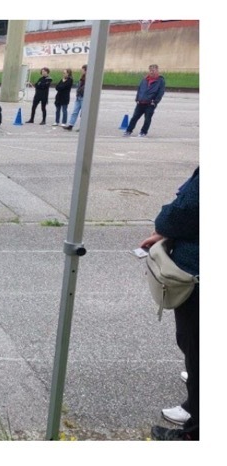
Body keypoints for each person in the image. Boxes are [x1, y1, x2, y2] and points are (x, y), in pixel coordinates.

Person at [140, 167, 199, 441]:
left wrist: (165, 225)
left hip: (197, 275)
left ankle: (195, 433)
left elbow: (182, 212)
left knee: (196, 345)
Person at [124, 64, 166, 137]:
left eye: (153, 70)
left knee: (147, 119)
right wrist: (137, 98)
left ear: (157, 70)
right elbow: (139, 89)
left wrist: (155, 101)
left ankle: (143, 132)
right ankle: (128, 131)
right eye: (150, 70)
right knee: (134, 118)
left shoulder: (160, 81)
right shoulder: (145, 79)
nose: (151, 72)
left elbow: (160, 92)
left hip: (150, 104)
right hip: (140, 102)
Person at [64, 65, 87, 131]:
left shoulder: (89, 79)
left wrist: (80, 90)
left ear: (86, 70)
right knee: (75, 111)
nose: (81, 71)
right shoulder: (81, 78)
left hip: (84, 97)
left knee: (83, 113)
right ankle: (71, 125)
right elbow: (79, 86)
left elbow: (85, 88)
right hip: (79, 97)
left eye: (82, 70)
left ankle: (82, 127)